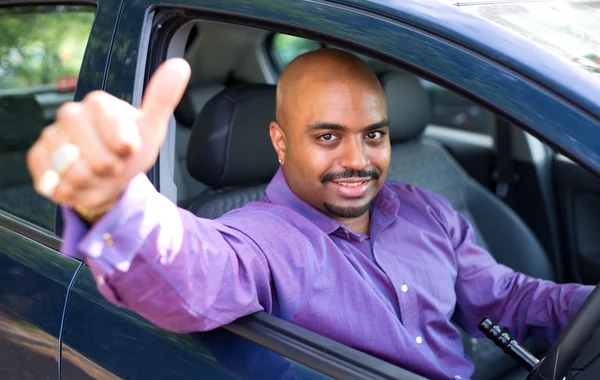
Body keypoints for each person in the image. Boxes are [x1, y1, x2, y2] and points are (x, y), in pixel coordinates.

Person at [27, 50, 593, 379]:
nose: (357, 159)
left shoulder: (427, 210)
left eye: (374, 135)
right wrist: (113, 202)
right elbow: (193, 271)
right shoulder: (265, 239)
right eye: (328, 136)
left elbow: (511, 298)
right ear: (278, 141)